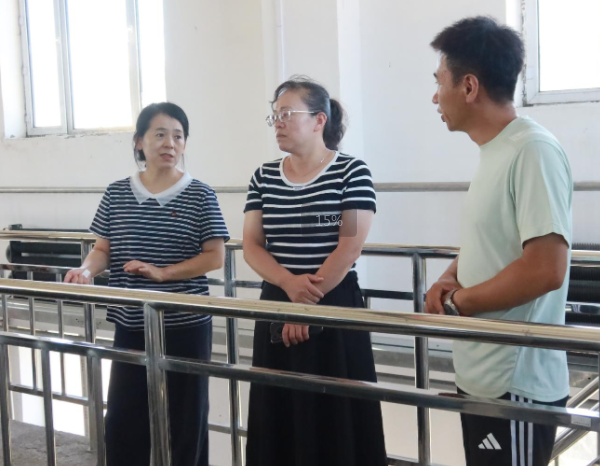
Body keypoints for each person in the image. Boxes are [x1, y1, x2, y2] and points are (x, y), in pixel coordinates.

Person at [424, 17, 573, 466]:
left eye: (440, 82)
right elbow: (492, 238)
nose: (435, 96)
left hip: (515, 383)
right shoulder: (496, 150)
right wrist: (450, 276)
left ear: (469, 86)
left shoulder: (533, 150)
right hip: (484, 373)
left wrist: (459, 303)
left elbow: (545, 268)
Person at [64, 102, 230, 466]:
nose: (170, 143)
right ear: (139, 141)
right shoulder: (117, 193)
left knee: (185, 422)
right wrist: (87, 270)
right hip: (131, 321)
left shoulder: (200, 194)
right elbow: (103, 248)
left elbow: (214, 257)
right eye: (160, 134)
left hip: (185, 324)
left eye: (178, 136)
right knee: (124, 420)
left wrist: (163, 273)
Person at [243, 76, 387, 466]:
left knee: (335, 417)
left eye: (287, 114)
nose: (278, 123)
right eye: (274, 116)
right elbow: (252, 245)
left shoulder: (351, 172)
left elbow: (349, 245)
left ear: (319, 119)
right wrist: (289, 285)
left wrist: (307, 303)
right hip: (278, 300)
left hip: (332, 302)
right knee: (278, 413)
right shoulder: (264, 176)